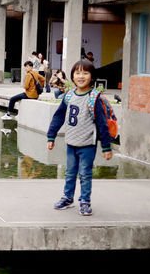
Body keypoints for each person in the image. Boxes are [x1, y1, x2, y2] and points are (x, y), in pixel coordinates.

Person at [46, 59, 113, 216]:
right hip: (71, 142)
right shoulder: (69, 95)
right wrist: (51, 136)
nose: (81, 76)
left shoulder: (94, 97)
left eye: (85, 73)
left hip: (87, 144)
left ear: (92, 76)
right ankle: (68, 198)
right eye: (77, 73)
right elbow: (58, 117)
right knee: (70, 172)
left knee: (85, 173)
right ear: (72, 76)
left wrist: (106, 147)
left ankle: (85, 201)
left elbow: (102, 123)